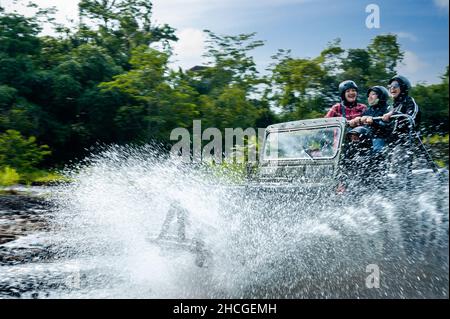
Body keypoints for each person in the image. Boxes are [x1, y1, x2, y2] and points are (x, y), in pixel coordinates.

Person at [352, 85, 393, 154]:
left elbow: (387, 127)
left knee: (377, 145)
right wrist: (355, 121)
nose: (370, 97)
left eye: (373, 94)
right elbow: (361, 121)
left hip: (381, 139)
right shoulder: (367, 110)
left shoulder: (388, 109)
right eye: (368, 95)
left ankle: (378, 162)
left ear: (381, 96)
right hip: (367, 139)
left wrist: (373, 122)